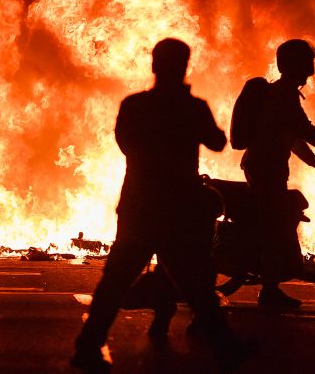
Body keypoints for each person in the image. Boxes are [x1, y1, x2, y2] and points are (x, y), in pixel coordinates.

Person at [72, 38, 248, 372]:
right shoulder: (192, 108)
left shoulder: (135, 105)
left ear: (154, 66)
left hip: (139, 206)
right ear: (183, 67)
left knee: (116, 281)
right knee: (195, 284)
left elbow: (127, 146)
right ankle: (227, 349)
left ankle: (86, 347)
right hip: (176, 209)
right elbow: (217, 141)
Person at [239, 39, 315, 309]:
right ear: (294, 65)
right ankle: (269, 291)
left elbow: (294, 138)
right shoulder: (282, 95)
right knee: (274, 227)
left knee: (283, 218)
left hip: (268, 167)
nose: (311, 70)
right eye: (307, 63)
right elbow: (305, 130)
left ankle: (275, 280)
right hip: (265, 169)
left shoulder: (283, 94)